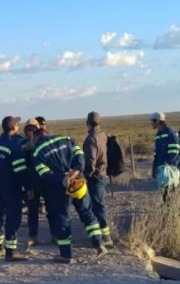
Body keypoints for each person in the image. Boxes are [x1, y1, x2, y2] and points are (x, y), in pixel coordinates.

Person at [32, 126, 106, 263]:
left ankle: (66, 255)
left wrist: (63, 177)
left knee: (64, 219)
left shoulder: (37, 152)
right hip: (78, 182)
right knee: (86, 212)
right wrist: (76, 171)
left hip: (59, 188)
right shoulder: (67, 139)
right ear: (49, 133)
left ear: (35, 137)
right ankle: (99, 244)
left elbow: (44, 174)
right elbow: (80, 155)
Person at [0, 116, 30, 261]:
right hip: (12, 187)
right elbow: (20, 170)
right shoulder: (15, 144)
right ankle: (11, 251)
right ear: (14, 127)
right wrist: (27, 187)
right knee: (13, 218)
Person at [83, 111, 113, 248]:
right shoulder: (103, 135)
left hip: (96, 176)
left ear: (87, 123)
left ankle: (105, 238)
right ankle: (104, 235)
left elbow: (90, 162)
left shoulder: (91, 139)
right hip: (104, 174)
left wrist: (86, 175)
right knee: (99, 205)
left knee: (98, 206)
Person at [21, 118, 44, 249]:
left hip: (46, 180)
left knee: (52, 209)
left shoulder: (43, 141)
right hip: (32, 181)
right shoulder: (22, 144)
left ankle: (55, 235)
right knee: (32, 210)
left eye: (33, 129)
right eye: (28, 130)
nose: (30, 132)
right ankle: (33, 236)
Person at [150, 112, 180, 202]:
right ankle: (168, 209)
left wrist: (168, 163)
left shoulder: (169, 132)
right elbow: (157, 153)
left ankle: (173, 210)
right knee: (164, 191)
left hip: (169, 167)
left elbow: (175, 148)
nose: (151, 123)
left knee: (170, 191)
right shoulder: (158, 135)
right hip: (161, 166)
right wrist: (154, 167)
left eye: (152, 121)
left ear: (158, 121)